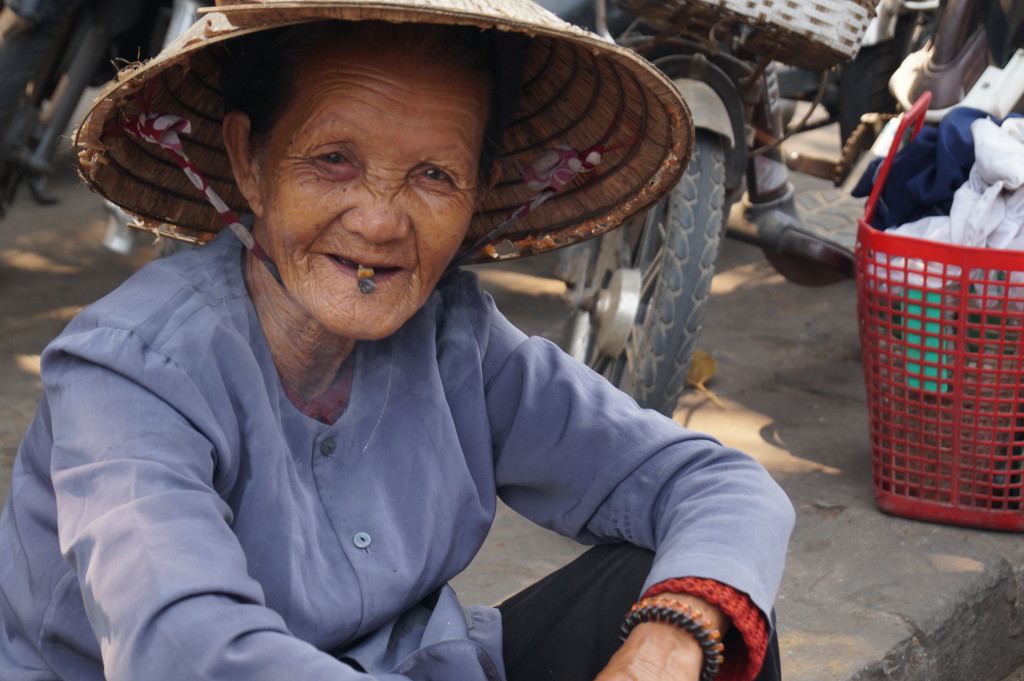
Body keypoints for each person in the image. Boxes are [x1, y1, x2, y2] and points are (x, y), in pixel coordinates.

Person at [0, 1, 795, 680]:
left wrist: (677, 629)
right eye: (334, 160)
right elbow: (189, 648)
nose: (379, 221)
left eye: (434, 175)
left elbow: (720, 486)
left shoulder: (456, 337)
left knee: (697, 606)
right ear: (249, 161)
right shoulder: (129, 371)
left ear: (478, 192)